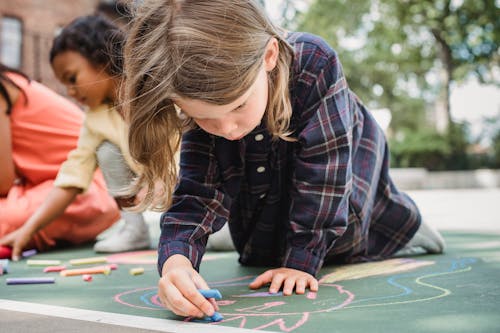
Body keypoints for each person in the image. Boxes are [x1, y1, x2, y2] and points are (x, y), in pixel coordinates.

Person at [122, 0, 445, 319]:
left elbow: (325, 176)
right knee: (260, 251)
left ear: (269, 56)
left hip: (351, 206)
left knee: (356, 239)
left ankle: (409, 225)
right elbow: (198, 191)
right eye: (206, 119)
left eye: (238, 106)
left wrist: (301, 261)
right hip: (266, 212)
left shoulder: (314, 63)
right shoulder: (198, 91)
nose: (228, 130)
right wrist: (177, 261)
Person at [0, 15, 151, 259]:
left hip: (186, 184)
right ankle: (134, 228)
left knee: (219, 238)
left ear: (102, 59)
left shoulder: (153, 92)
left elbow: (184, 151)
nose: (70, 92)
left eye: (72, 79)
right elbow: (73, 175)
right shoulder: (96, 117)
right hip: (151, 191)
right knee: (106, 151)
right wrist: (28, 229)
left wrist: (162, 186)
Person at [0, 63, 120, 259]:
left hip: (88, 188)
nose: (71, 91)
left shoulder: (4, 87)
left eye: (73, 79)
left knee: (6, 219)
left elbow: (3, 181)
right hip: (58, 186)